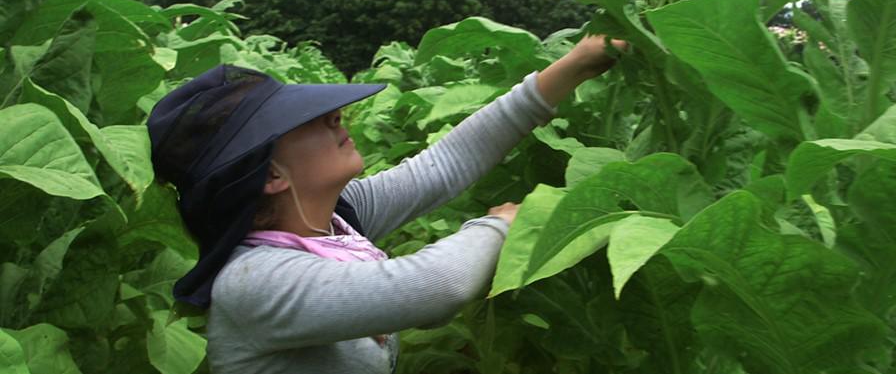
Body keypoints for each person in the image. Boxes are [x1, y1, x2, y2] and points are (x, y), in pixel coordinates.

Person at [146, 34, 625, 373]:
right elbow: (439, 286)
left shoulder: (333, 223)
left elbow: (443, 165)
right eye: (306, 121)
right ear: (271, 174)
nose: (336, 116)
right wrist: (498, 226)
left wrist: (575, 65)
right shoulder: (255, 284)